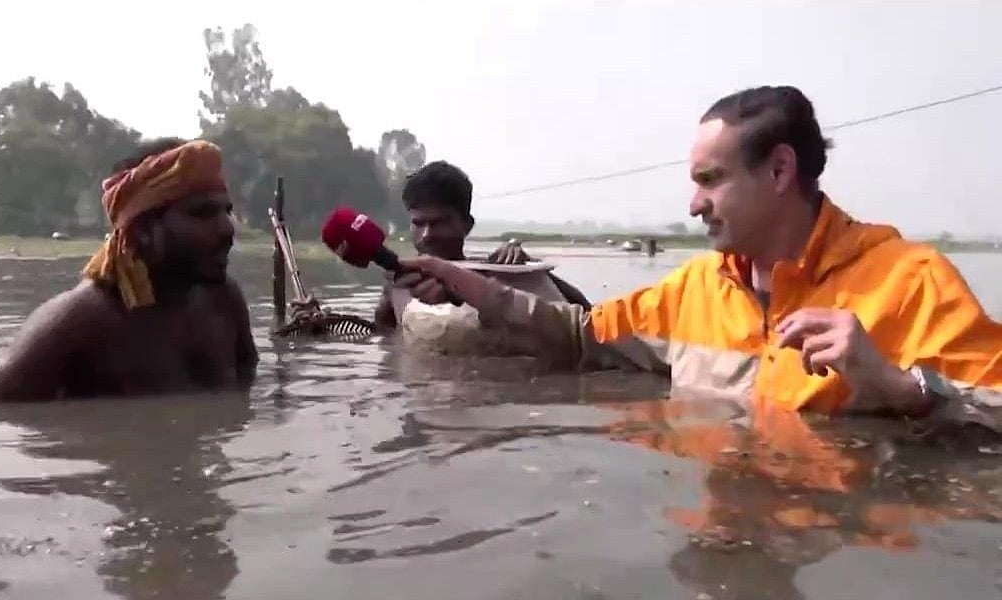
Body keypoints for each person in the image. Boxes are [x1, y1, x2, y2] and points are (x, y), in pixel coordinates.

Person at [392, 86, 1002, 428]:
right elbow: (583, 336)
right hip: (725, 521)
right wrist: (465, 283)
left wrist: (904, 388)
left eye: (710, 181)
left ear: (780, 169)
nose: (692, 205)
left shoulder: (912, 283)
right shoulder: (694, 289)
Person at [0, 137, 258, 402]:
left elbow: (249, 387)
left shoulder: (223, 300)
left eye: (226, 211)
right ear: (141, 230)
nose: (227, 228)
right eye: (202, 213)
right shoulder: (77, 321)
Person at [374, 160, 590, 330]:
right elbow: (387, 345)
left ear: (466, 226)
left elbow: (584, 316)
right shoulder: (400, 285)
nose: (427, 234)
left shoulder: (495, 275)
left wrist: (530, 271)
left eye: (439, 223)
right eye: (418, 223)